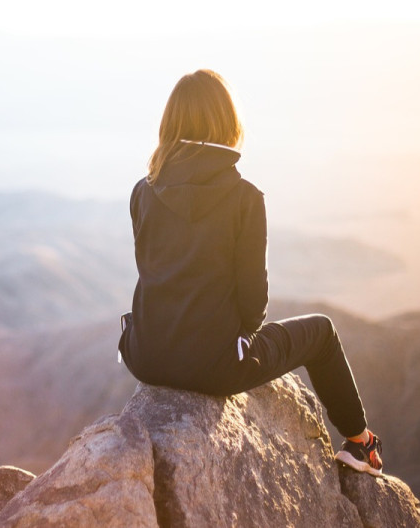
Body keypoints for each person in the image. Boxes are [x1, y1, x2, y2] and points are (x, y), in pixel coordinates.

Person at [117, 69, 383, 476]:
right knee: (323, 333)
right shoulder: (244, 198)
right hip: (215, 367)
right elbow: (253, 305)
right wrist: (230, 343)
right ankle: (360, 443)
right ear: (227, 123)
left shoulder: (142, 189)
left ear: (169, 124)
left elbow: (153, 271)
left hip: (144, 355)